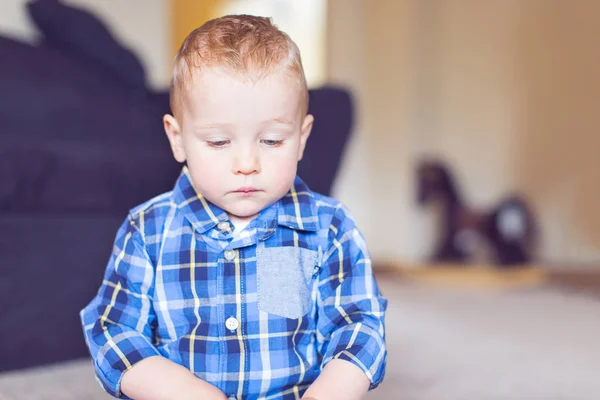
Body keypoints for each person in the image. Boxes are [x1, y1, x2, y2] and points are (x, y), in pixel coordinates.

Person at [80, 15, 387, 400]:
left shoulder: (329, 228)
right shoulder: (148, 230)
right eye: (219, 142)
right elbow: (113, 329)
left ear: (302, 138)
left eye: (272, 140)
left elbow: (359, 324)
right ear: (178, 139)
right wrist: (183, 391)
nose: (247, 163)